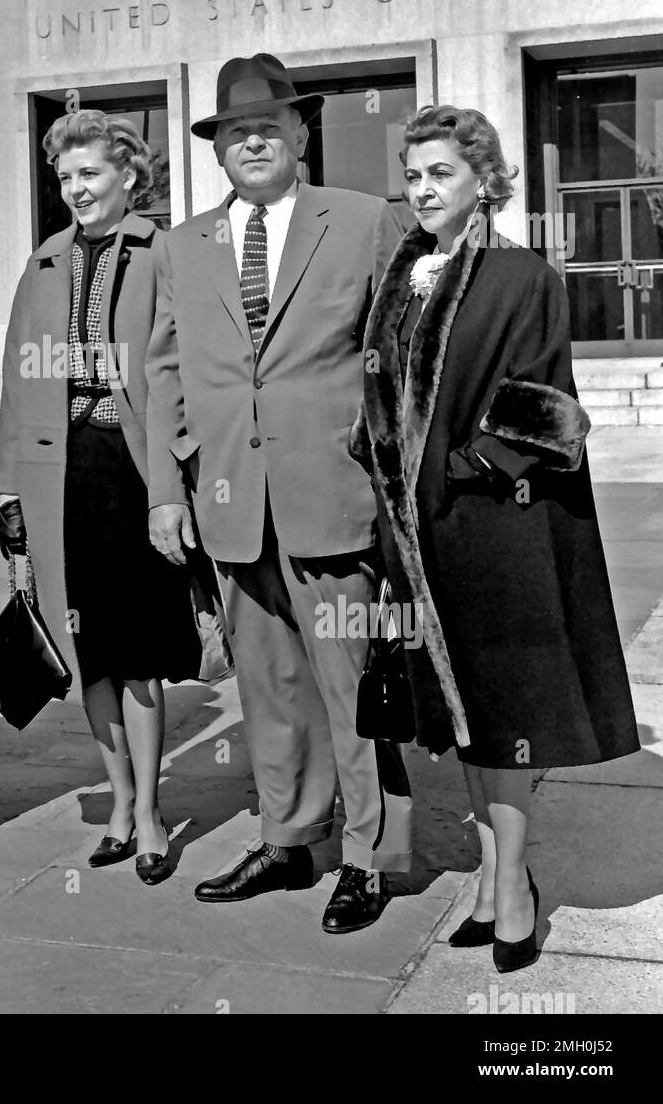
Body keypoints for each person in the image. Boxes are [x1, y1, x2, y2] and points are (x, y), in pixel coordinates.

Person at [351, 104, 639, 972]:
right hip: (422, 532)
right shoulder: (408, 276)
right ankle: (490, 877)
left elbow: (546, 403)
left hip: (498, 525)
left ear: (485, 179)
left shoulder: (522, 272)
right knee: (464, 712)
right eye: (414, 176)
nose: (424, 190)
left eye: (442, 173)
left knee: (506, 711)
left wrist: (466, 461)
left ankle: (514, 883)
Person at [146, 52, 410, 932]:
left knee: (354, 686)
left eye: (267, 127)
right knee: (267, 688)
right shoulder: (184, 244)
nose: (250, 142)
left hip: (332, 493)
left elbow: (401, 359)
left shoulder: (367, 220)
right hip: (230, 503)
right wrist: (167, 491)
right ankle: (290, 840)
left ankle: (370, 858)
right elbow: (164, 374)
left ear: (301, 134)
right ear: (216, 150)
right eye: (232, 133)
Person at [0, 110, 202, 885]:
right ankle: (117, 802)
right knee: (87, 653)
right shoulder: (43, 262)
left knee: (138, 649)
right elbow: (18, 386)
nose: (76, 189)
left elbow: (180, 377)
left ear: (129, 176)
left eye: (89, 173)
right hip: (58, 476)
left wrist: (174, 486)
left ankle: (150, 812)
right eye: (65, 178)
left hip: (133, 468)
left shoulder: (164, 252)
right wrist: (8, 493)